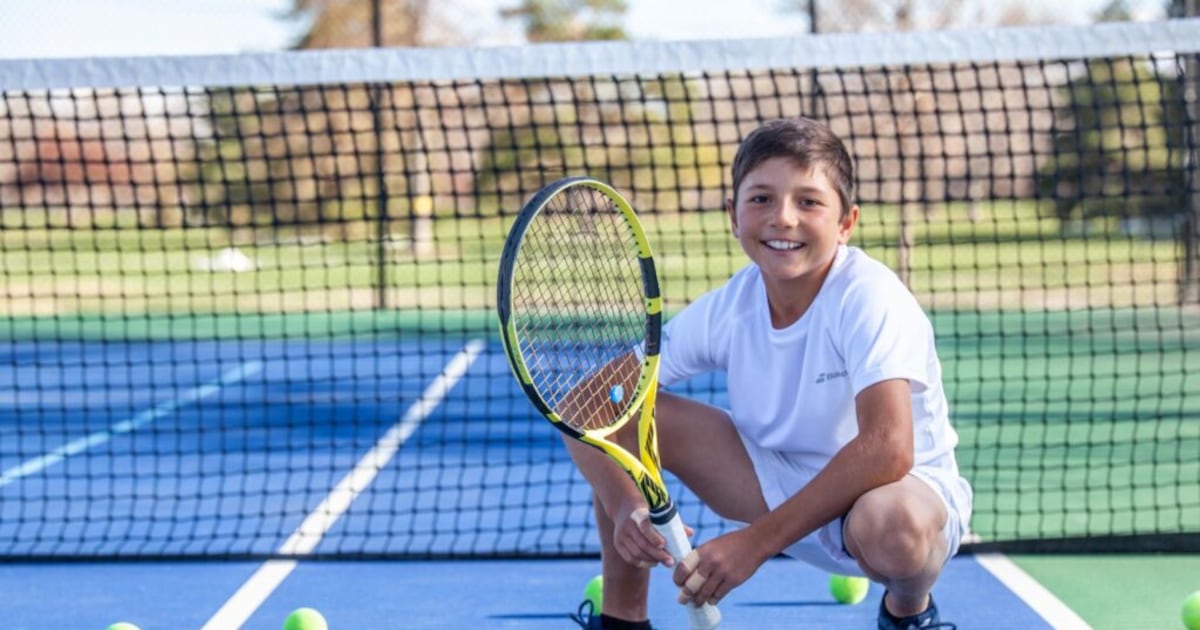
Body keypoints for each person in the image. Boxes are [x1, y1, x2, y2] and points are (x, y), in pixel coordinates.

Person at [567, 117, 973, 630]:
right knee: (622, 420)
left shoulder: (869, 296)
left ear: (847, 222)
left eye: (809, 201)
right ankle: (623, 622)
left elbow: (890, 447)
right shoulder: (729, 307)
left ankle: (908, 611)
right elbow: (589, 405)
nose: (783, 218)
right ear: (732, 217)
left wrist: (753, 545)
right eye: (760, 199)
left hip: (892, 494)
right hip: (774, 478)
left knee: (895, 527)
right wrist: (626, 507)